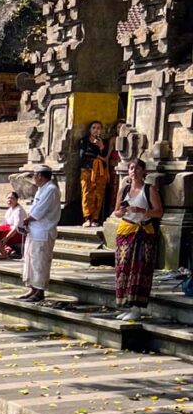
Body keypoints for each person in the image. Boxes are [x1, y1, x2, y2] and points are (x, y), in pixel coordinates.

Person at [113, 158, 163, 320]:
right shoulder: (124, 189)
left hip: (143, 231)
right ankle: (126, 304)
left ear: (143, 171)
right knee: (123, 268)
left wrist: (142, 210)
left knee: (139, 268)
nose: (133, 171)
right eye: (131, 168)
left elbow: (158, 212)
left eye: (136, 168)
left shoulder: (149, 190)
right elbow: (116, 212)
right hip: (126, 230)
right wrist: (123, 210)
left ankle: (137, 308)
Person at [16, 164, 61, 303]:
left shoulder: (51, 190)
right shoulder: (41, 189)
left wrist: (27, 219)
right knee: (31, 261)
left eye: (35, 175)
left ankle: (40, 290)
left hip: (43, 231)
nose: (34, 178)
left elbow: (40, 210)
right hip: (34, 231)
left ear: (40, 176)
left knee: (40, 262)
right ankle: (33, 288)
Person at [79, 120, 109, 227]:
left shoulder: (103, 142)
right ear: (90, 130)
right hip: (87, 169)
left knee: (98, 193)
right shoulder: (84, 141)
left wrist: (101, 147)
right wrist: (97, 155)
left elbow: (106, 157)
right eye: (94, 128)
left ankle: (95, 218)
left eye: (98, 128)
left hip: (100, 170)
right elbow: (84, 154)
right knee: (87, 192)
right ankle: (87, 217)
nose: (96, 130)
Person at [0, 192, 26, 259]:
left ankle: (2, 253)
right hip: (11, 231)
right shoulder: (9, 210)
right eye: (8, 198)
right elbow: (3, 224)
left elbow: (16, 227)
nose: (9, 200)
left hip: (19, 233)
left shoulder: (19, 210)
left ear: (16, 200)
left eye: (12, 198)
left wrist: (6, 238)